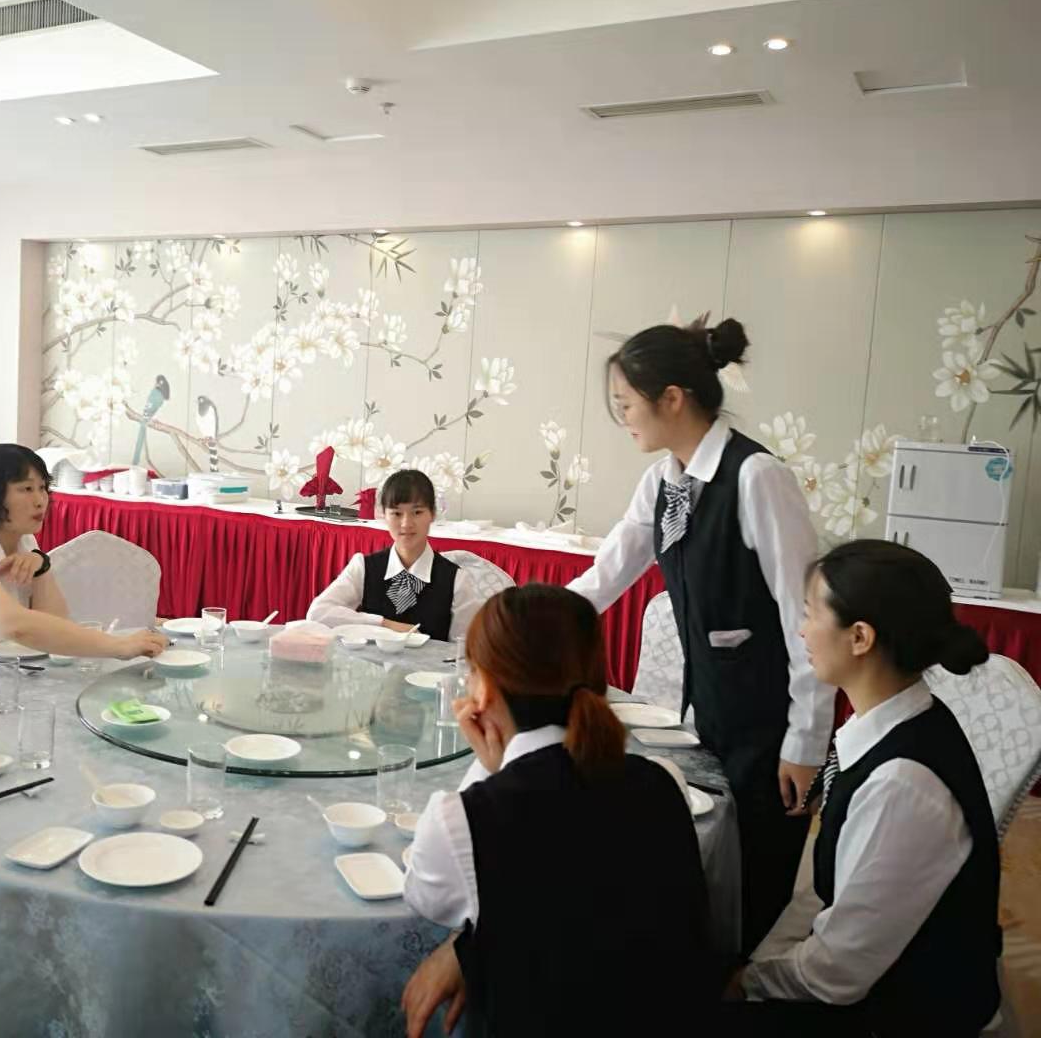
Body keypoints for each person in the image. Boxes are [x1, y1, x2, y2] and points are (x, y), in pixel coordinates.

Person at [566, 317, 830, 955]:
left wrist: (806, 742)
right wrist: (528, 621)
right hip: (705, 710)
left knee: (759, 876)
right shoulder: (663, 482)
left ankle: (755, 989)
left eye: (626, 405)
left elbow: (806, 618)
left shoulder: (756, 477)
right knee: (712, 864)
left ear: (672, 399)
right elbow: (608, 573)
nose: (623, 419)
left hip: (767, 720)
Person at [401, 584, 712, 1036]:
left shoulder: (461, 820)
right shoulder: (664, 781)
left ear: (483, 690)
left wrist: (490, 768)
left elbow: (427, 900)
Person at [720, 540, 1000, 1036]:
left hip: (901, 1014)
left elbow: (837, 973)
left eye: (810, 614)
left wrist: (749, 983)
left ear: (859, 637)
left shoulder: (901, 784)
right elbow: (822, 891)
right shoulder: (888, 722)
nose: (801, 630)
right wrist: (761, 963)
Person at [0, 443, 167, 671]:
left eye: (43, 488)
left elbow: (54, 626)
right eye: (26, 489)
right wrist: (117, 646)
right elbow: (14, 625)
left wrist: (42, 568)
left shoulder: (24, 541)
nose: (40, 500)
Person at [307, 469, 483, 641]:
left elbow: (465, 647)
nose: (406, 523)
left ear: (433, 514)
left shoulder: (457, 580)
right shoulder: (364, 567)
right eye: (397, 513)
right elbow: (318, 613)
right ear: (384, 515)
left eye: (417, 512)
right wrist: (384, 624)